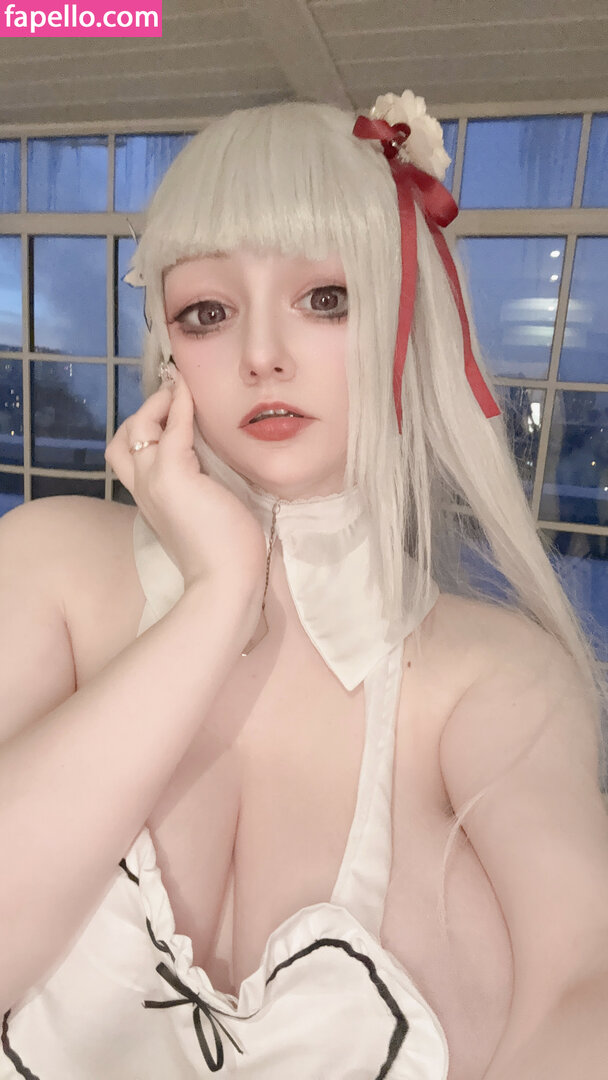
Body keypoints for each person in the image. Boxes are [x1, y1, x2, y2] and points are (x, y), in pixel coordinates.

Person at [0, 91, 607, 1080]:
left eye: (325, 298)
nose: (261, 356)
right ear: (167, 344)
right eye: (207, 312)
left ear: (406, 320)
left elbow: (585, 982)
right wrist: (216, 594)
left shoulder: (497, 676)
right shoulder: (48, 563)